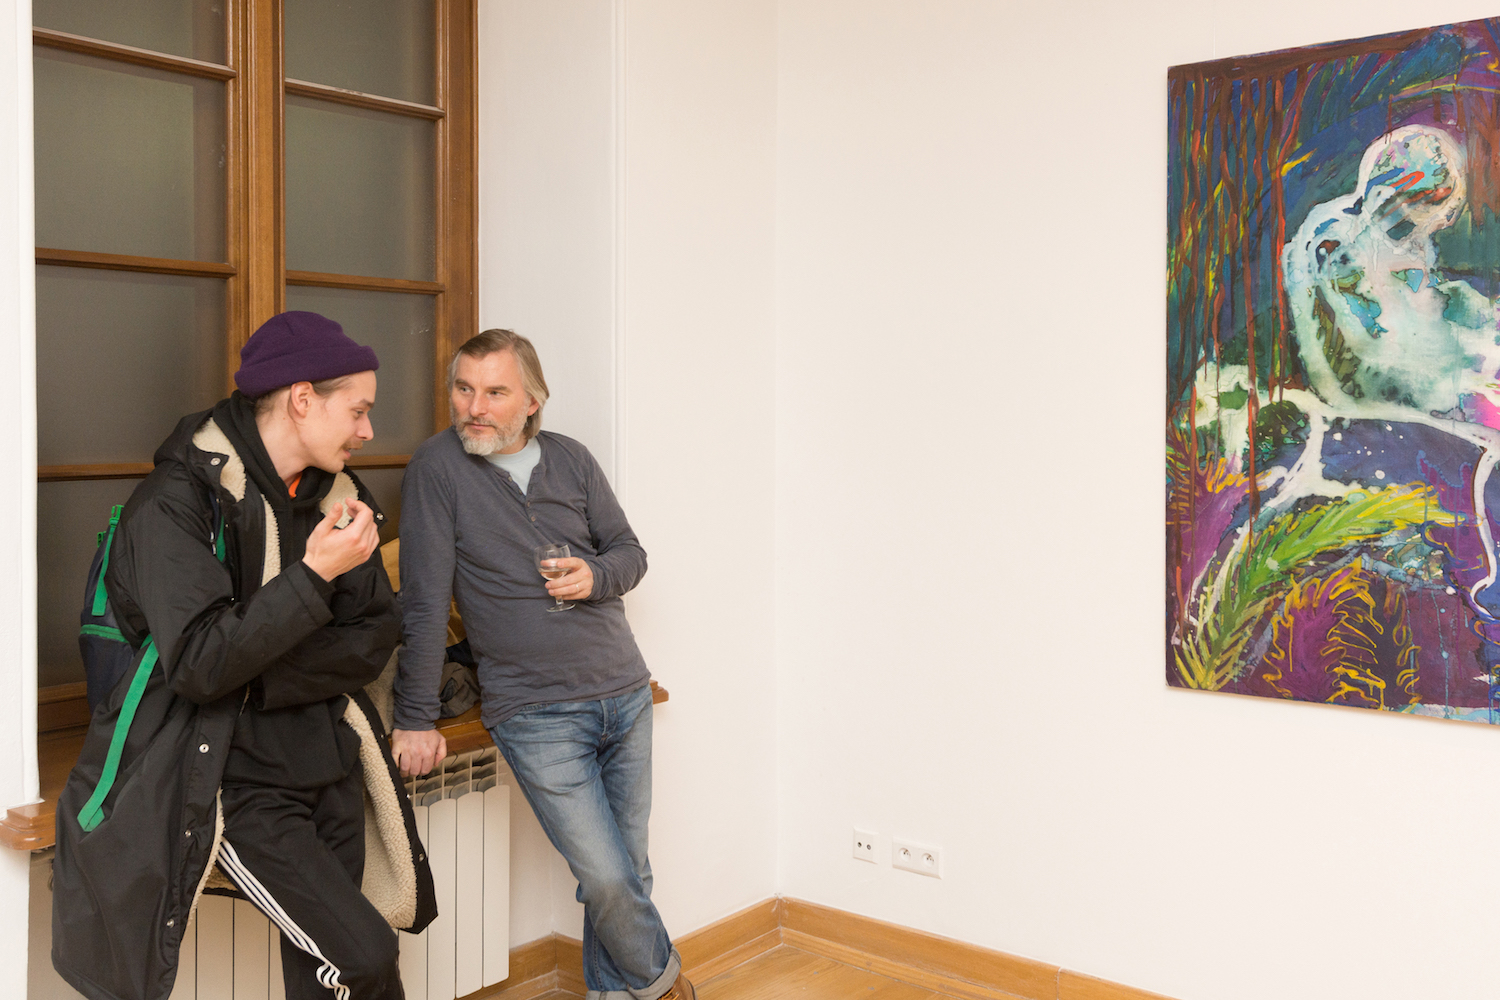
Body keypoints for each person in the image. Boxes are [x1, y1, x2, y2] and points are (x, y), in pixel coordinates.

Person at [52, 311, 435, 1000]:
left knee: (325, 975)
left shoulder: (340, 496)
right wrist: (314, 577)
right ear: (302, 400)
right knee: (364, 957)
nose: (368, 431)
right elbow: (201, 665)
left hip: (327, 761)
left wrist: (258, 678)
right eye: (358, 410)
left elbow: (373, 634)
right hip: (233, 782)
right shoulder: (173, 504)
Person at [391, 329, 694, 1000]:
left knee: (629, 872)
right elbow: (424, 600)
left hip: (624, 689)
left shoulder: (572, 458)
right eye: (463, 389)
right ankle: (669, 988)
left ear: (532, 400)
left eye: (495, 392)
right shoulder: (438, 468)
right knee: (607, 878)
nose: (475, 407)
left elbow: (630, 552)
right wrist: (414, 715)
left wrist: (595, 575)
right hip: (534, 710)